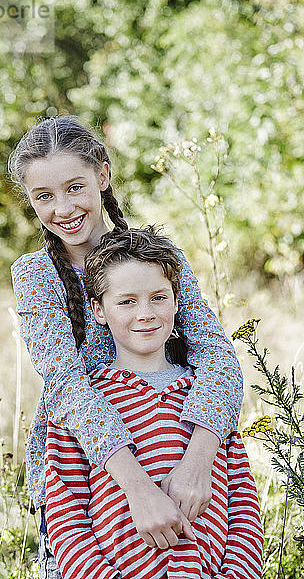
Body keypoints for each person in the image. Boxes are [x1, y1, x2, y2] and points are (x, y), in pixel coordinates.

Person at [9, 116, 244, 575]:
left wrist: (198, 462)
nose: (63, 208)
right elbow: (67, 386)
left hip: (178, 452)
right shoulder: (36, 275)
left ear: (102, 174)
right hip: (91, 472)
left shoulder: (158, 256)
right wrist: (136, 488)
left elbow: (218, 357)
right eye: (44, 196)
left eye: (75, 187)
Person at [44, 226, 263, 579]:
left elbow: (243, 509)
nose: (145, 313)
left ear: (178, 302)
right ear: (98, 310)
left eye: (158, 297)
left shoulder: (209, 398)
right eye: (127, 301)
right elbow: (66, 515)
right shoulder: (84, 405)